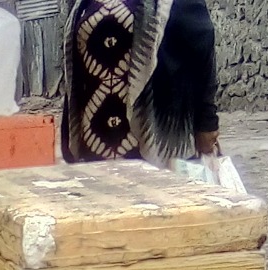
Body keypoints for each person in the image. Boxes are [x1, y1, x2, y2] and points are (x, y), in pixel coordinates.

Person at [60, 0, 220, 164]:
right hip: (95, 137)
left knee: (157, 189)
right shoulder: (80, 3)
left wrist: (207, 121)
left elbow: (202, 49)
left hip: (156, 137)